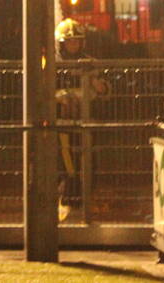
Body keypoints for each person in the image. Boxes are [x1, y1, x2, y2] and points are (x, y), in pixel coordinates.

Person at [54, 17, 111, 221]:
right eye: (70, 41)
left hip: (87, 123)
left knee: (89, 161)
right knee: (68, 164)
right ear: (61, 43)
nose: (73, 45)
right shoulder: (53, 63)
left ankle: (84, 201)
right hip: (63, 124)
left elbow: (105, 90)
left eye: (77, 41)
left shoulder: (89, 62)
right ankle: (68, 202)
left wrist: (101, 86)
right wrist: (58, 97)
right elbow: (43, 91)